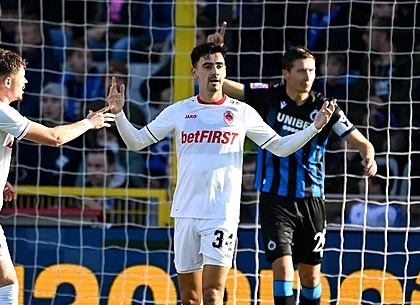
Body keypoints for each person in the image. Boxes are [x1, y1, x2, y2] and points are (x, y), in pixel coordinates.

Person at [107, 42, 337, 305]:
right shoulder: (180, 110)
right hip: (185, 212)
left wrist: (314, 129)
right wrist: (119, 114)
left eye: (219, 66)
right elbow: (137, 142)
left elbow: (280, 147)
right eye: (207, 66)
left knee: (213, 293)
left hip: (221, 214)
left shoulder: (242, 112)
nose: (214, 71)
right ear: (194, 72)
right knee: (190, 297)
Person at [209, 22, 377, 305]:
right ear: (286, 74)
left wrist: (368, 154)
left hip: (312, 201)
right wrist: (216, 57)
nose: (307, 76)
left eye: (311, 71)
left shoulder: (325, 108)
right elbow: (224, 86)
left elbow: (362, 142)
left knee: (311, 277)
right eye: (301, 71)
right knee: (283, 269)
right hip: (275, 200)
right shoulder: (269, 95)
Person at [0, 48, 114, 305]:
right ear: (8, 81)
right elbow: (54, 138)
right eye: (22, 76)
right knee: (7, 282)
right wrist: (89, 123)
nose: (26, 82)